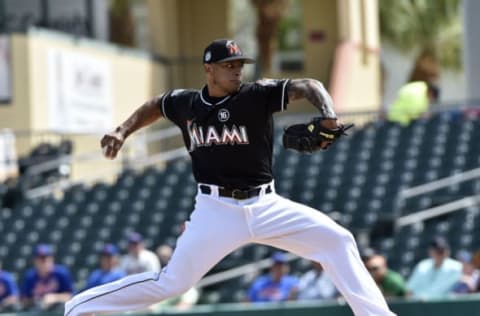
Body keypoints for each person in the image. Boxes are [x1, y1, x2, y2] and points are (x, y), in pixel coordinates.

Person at [64, 38, 396, 316]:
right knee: (172, 283)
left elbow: (310, 85)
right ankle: (80, 308)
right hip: (216, 210)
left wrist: (330, 117)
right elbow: (155, 105)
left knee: (337, 240)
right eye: (229, 65)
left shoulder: (256, 95)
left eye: (239, 64)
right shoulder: (187, 104)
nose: (237, 70)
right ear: (209, 68)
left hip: (267, 205)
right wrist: (122, 131)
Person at [21, 244, 74, 311]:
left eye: (47, 257)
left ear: (52, 258)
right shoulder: (30, 276)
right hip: (38, 309)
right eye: (41, 258)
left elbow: (70, 296)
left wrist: (54, 298)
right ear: (35, 260)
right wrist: (37, 300)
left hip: (58, 310)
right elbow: (24, 299)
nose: (45, 261)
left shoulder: (61, 273)